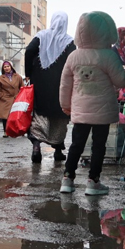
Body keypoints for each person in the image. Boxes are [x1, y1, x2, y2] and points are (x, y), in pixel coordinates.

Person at [59, 12, 125, 195]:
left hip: (80, 111)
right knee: (99, 146)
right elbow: (121, 81)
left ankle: (67, 179)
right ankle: (93, 182)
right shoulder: (108, 56)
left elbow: (65, 85)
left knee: (76, 145)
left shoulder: (73, 56)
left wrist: (65, 105)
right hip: (102, 111)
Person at [24, 10, 76, 163]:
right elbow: (73, 61)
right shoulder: (69, 41)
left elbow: (29, 51)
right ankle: (58, 150)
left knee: (39, 113)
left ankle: (36, 145)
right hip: (60, 84)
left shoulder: (41, 36)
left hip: (39, 82)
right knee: (59, 115)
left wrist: (28, 73)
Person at [0, 61, 24, 137]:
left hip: (16, 99)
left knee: (16, 116)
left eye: (8, 66)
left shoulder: (18, 77)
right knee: (5, 117)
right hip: (5, 100)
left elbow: (22, 87)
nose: (6, 68)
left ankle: (17, 131)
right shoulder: (0, 78)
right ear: (3, 69)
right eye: (5, 67)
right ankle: (6, 131)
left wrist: (20, 96)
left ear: (11, 67)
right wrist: (3, 96)